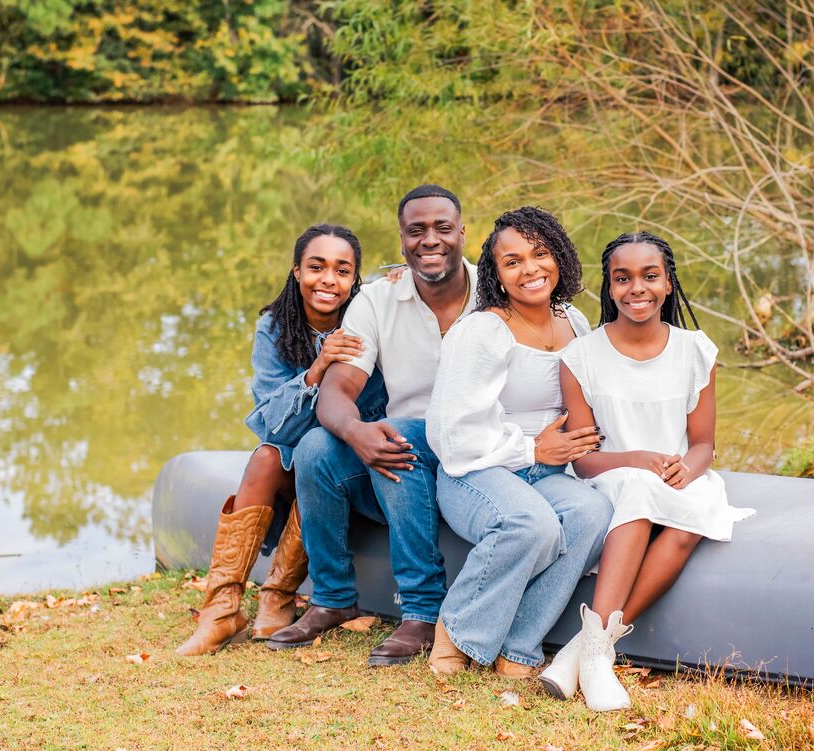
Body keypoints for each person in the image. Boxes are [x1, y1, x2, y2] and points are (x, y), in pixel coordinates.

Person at [538, 231, 755, 710]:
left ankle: (590, 649)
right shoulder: (580, 357)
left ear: (669, 283)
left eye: (650, 276)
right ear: (609, 287)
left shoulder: (696, 351)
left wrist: (687, 470)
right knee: (637, 487)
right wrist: (637, 460)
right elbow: (583, 456)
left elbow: (703, 444)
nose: (638, 288)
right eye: (623, 278)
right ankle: (596, 659)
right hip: (610, 475)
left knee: (687, 523)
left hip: (674, 475)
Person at [267, 185, 476, 666]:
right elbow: (337, 392)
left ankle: (423, 611)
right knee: (320, 445)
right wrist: (358, 431)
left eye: (443, 228)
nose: (430, 240)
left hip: (480, 451)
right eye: (416, 230)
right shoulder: (376, 301)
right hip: (405, 450)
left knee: (397, 431)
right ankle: (334, 598)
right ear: (401, 240)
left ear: (463, 233)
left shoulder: (497, 289)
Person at [176, 224, 386, 656]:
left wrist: (400, 276)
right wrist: (317, 368)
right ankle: (222, 609)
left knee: (315, 457)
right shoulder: (275, 327)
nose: (329, 279)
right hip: (293, 453)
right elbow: (272, 425)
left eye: (342, 270)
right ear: (296, 271)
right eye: (316, 267)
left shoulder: (369, 320)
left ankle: (278, 594)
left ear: (355, 280)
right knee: (268, 456)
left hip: (351, 461)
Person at [425, 206, 613, 678]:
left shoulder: (575, 321)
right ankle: (457, 630)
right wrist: (532, 450)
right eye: (513, 262)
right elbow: (452, 434)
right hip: (477, 471)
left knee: (593, 514)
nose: (530, 269)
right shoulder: (482, 331)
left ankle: (519, 646)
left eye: (540, 253)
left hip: (549, 472)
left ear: (560, 257)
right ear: (498, 275)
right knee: (532, 525)